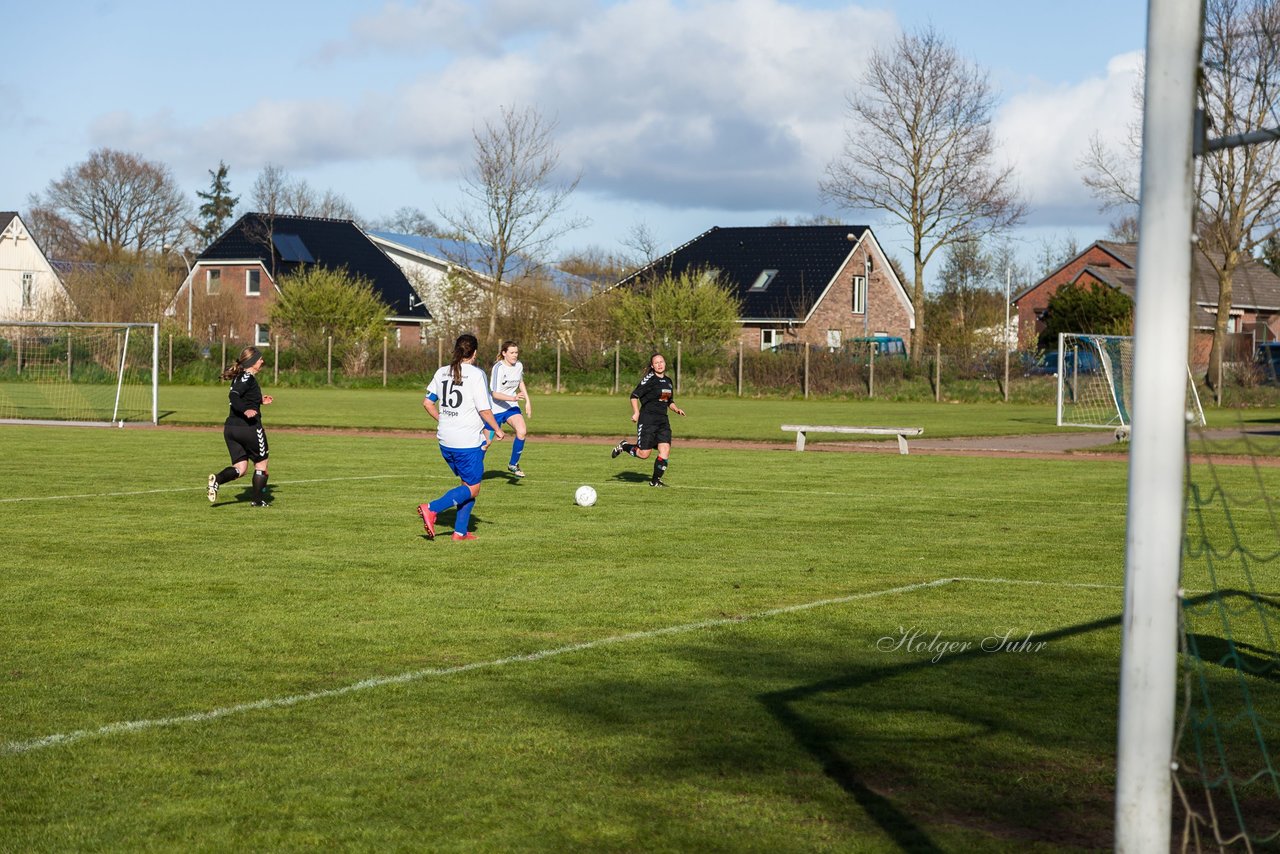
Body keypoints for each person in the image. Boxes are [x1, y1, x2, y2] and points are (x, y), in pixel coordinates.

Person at [418, 334, 505, 540]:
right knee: (473, 488)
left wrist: (444, 420)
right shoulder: (476, 374)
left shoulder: (442, 372)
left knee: (467, 483)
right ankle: (432, 508)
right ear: (474, 353)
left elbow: (427, 403)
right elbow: (484, 409)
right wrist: (497, 429)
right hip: (466, 442)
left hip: (445, 440)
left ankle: (460, 532)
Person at [207, 346, 274, 507]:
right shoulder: (247, 378)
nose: (262, 361)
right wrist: (246, 410)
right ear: (252, 362)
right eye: (260, 359)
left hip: (231, 428)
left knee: (241, 468)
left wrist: (259, 401)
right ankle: (257, 501)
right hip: (248, 428)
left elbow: (242, 395)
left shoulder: (241, 377)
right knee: (261, 463)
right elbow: (234, 395)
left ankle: (217, 479)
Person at [611, 352, 686, 487]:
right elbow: (634, 396)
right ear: (652, 366)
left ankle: (655, 481)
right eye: (656, 363)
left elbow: (669, 401)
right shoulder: (649, 379)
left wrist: (676, 409)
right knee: (644, 454)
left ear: (665, 363)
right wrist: (636, 412)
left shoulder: (668, 381)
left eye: (661, 362)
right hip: (648, 421)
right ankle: (624, 446)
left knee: (665, 450)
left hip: (663, 421)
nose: (659, 364)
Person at [488, 340, 532, 477]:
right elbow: (494, 393)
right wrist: (513, 398)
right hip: (494, 408)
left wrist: (528, 402)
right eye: (512, 352)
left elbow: (520, 382)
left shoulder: (519, 365)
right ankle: (473, 470)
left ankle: (513, 464)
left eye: (516, 352)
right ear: (504, 353)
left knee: (522, 431)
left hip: (511, 407)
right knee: (486, 443)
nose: (515, 355)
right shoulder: (498, 368)